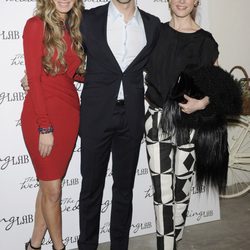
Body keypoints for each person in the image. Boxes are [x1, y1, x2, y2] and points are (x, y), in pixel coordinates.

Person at [77, 1, 160, 249]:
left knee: (125, 188)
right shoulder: (87, 18)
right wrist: (37, 71)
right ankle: (87, 245)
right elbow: (62, 49)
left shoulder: (152, 25)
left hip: (132, 115)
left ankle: (119, 246)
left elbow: (165, 60)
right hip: (96, 115)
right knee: (91, 187)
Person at [144, 0, 219, 249]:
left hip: (190, 125)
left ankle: (173, 243)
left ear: (196, 1)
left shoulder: (206, 41)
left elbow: (218, 87)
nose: (182, 1)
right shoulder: (155, 33)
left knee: (181, 193)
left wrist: (202, 103)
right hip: (156, 121)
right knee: (162, 195)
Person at [21, 0, 84, 249]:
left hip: (69, 113)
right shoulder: (35, 25)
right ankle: (60, 247)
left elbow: (74, 73)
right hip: (42, 115)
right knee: (54, 191)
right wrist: (44, 127)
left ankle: (34, 245)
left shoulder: (74, 28)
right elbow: (34, 79)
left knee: (49, 188)